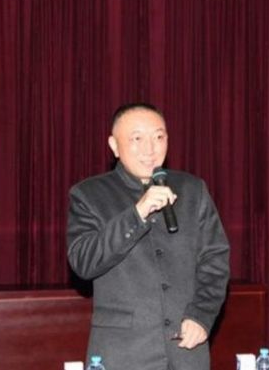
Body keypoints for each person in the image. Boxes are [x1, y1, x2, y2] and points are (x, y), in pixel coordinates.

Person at [66, 103, 230, 370]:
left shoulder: (193, 190)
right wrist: (138, 213)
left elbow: (215, 261)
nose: (150, 149)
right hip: (123, 353)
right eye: (137, 139)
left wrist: (201, 315)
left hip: (186, 350)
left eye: (158, 137)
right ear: (114, 146)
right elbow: (84, 262)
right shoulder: (89, 194)